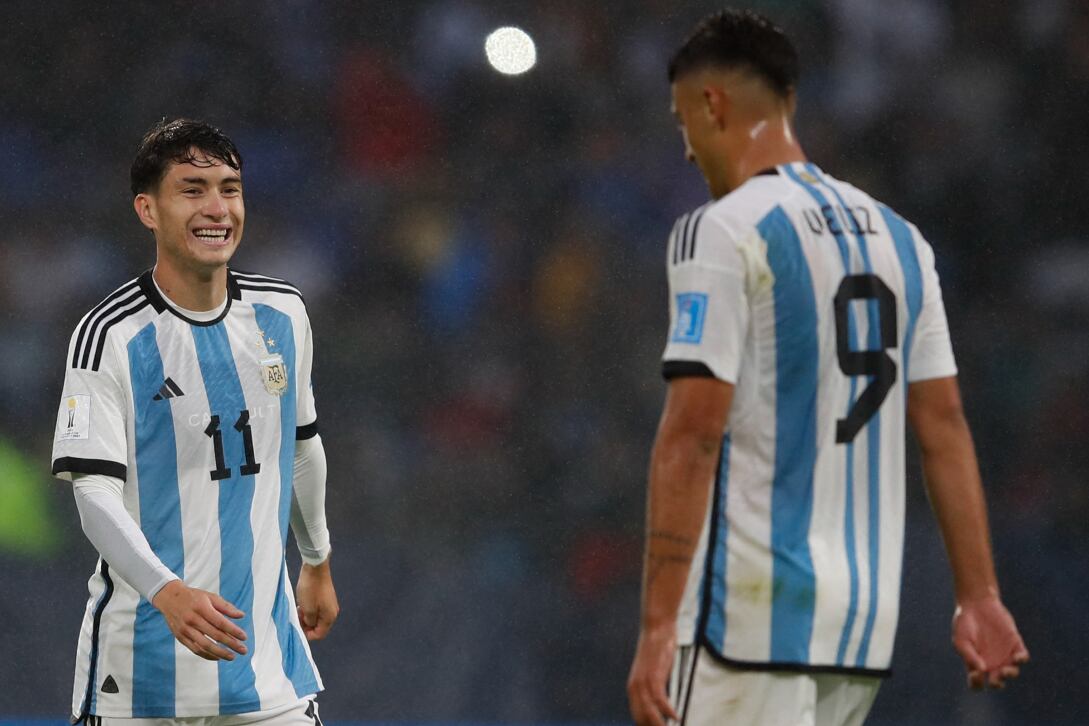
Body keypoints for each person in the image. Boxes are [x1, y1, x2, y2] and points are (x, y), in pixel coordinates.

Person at [626, 10, 1028, 726]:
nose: (686, 149)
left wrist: (659, 625)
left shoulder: (721, 230)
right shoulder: (900, 239)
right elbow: (941, 425)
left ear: (711, 104)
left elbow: (692, 435)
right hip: (859, 620)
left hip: (746, 612)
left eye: (682, 121)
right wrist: (980, 595)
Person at [50, 118, 339, 725]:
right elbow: (94, 495)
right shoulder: (109, 336)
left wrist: (315, 559)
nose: (217, 207)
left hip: (265, 678)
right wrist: (168, 592)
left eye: (230, 188)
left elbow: (303, 447)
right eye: (192, 189)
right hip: (141, 679)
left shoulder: (283, 314)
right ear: (147, 209)